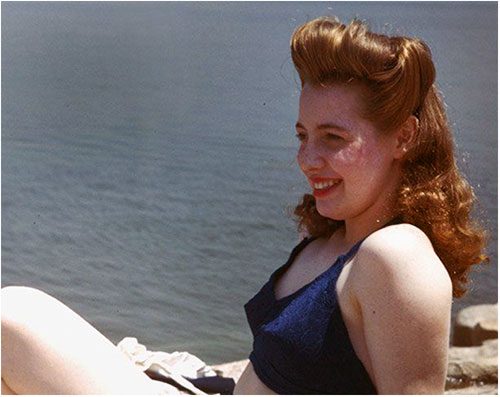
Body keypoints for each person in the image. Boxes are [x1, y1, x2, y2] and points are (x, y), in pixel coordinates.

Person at [1, 15, 488, 395]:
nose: (307, 159)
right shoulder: (333, 236)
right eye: (303, 136)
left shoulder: (397, 255)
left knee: (11, 317)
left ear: (403, 136)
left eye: (333, 138)